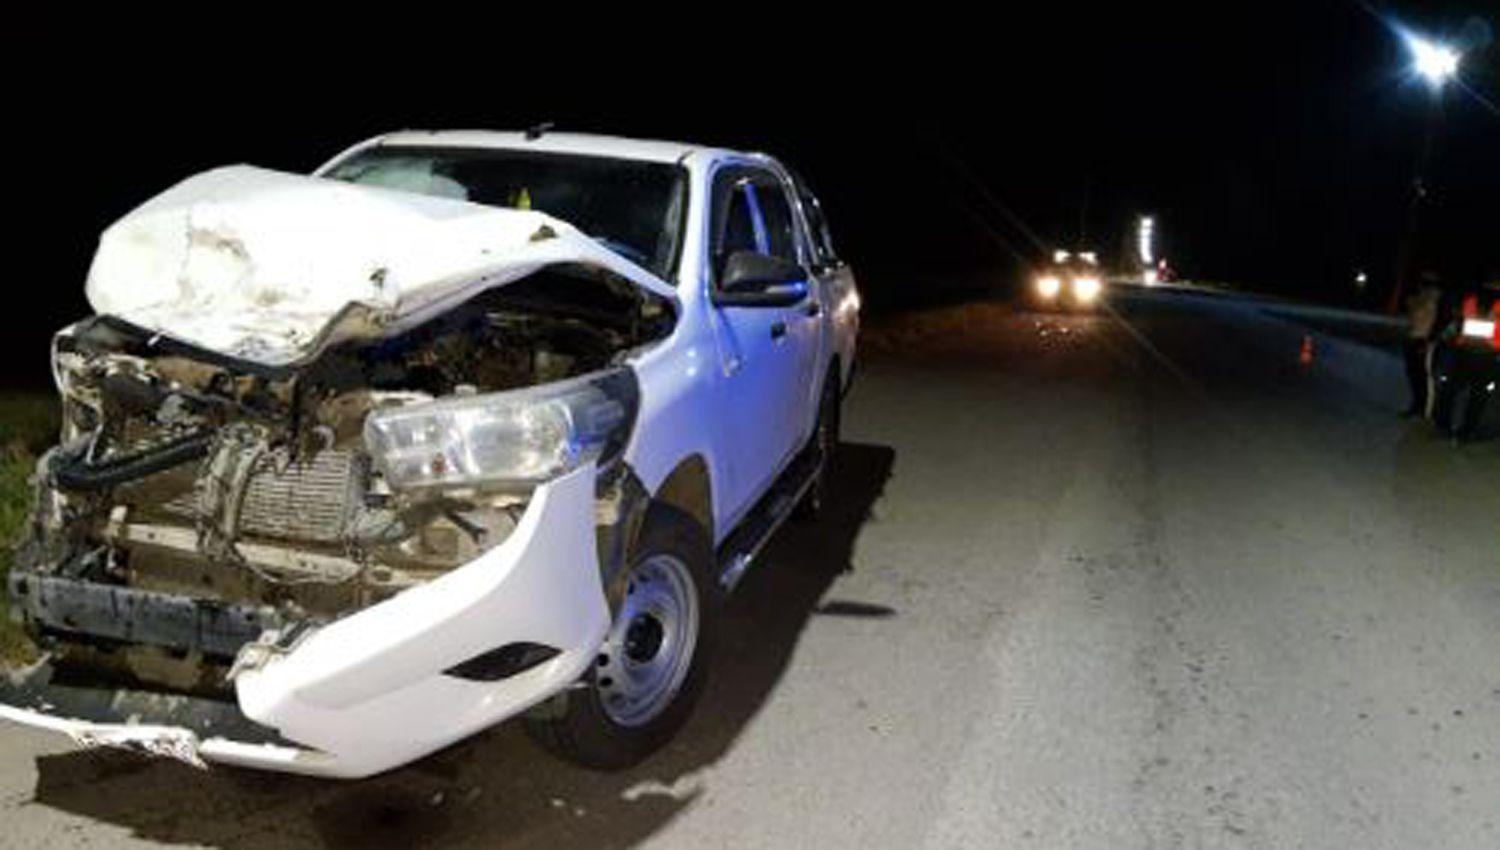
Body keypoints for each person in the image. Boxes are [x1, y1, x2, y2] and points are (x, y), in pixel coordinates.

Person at [1430, 282, 1500, 443]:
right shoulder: (1470, 301)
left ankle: (1452, 428)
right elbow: (1458, 322)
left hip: (1473, 354)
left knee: (1458, 392)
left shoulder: (1470, 300)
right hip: (1479, 356)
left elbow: (1456, 323)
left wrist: (1444, 338)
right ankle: (1460, 429)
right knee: (1475, 396)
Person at [1400, 279, 1443, 417]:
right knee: (1413, 373)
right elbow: (1410, 310)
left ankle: (1426, 410)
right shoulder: (1419, 297)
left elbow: (1436, 321)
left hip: (1424, 339)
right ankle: (1417, 405)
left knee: (1424, 375)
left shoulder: (1434, 299)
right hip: (1412, 337)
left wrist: (1431, 338)